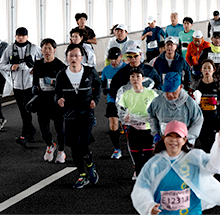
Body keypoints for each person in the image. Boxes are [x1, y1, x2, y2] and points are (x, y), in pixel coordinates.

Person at [131, 121, 220, 215]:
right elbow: (141, 189)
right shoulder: (154, 164)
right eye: (170, 136)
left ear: (184, 140)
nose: (173, 140)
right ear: (164, 139)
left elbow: (216, 167)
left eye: (178, 136)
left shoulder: (194, 159)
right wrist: (149, 206)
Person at [55, 43, 101, 189]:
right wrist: (58, 99)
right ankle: (82, 174)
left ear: (81, 57)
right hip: (69, 115)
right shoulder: (62, 74)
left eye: (76, 55)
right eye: (71, 55)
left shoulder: (89, 72)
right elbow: (56, 92)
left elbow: (98, 86)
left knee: (83, 145)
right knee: (74, 147)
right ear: (67, 58)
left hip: (86, 114)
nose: (74, 58)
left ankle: (90, 165)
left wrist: (95, 99)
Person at [107, 45, 161, 159]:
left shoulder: (150, 70)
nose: (132, 59)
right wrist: (121, 112)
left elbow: (159, 88)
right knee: (133, 144)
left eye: (135, 56)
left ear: (141, 55)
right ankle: (136, 168)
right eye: (129, 56)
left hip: (148, 113)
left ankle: (150, 168)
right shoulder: (121, 73)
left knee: (150, 143)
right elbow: (114, 93)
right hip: (131, 113)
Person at [0, 27, 41, 146]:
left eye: (23, 36)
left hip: (30, 84)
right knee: (23, 110)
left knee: (27, 109)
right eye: (18, 36)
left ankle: (26, 134)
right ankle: (29, 132)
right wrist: (11, 67)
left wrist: (35, 69)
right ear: (15, 37)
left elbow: (44, 60)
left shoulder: (33, 48)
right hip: (16, 84)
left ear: (27, 37)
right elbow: (2, 64)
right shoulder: (10, 49)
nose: (20, 38)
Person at [117, 66, 159, 179]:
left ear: (143, 78)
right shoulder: (126, 95)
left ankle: (149, 181)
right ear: (129, 79)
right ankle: (140, 183)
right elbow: (121, 111)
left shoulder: (151, 94)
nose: (135, 79)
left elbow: (158, 111)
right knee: (137, 158)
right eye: (132, 76)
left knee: (147, 157)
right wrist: (124, 118)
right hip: (133, 130)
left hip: (148, 130)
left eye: (138, 76)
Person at [32, 38, 67, 163]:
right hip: (42, 101)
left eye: (50, 48)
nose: (47, 51)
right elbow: (35, 80)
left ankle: (62, 151)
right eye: (44, 48)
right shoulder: (38, 64)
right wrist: (34, 87)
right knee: (44, 130)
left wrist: (52, 82)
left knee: (60, 129)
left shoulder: (60, 66)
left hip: (56, 102)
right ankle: (50, 145)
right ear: (41, 50)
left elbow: (65, 84)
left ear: (54, 50)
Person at [147, 72, 204, 146]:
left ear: (180, 87)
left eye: (173, 92)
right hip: (164, 141)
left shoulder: (189, 103)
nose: (170, 95)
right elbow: (151, 115)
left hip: (184, 143)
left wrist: (187, 137)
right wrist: (155, 133)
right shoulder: (158, 101)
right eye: (167, 91)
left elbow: (198, 121)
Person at [195, 59, 220, 153]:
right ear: (201, 70)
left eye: (209, 68)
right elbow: (190, 99)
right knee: (203, 141)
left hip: (215, 117)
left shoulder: (218, 84)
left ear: (213, 70)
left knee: (214, 141)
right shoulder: (197, 84)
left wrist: (217, 102)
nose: (207, 71)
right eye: (204, 68)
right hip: (201, 118)